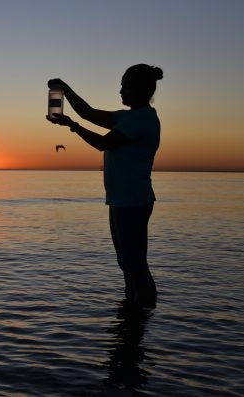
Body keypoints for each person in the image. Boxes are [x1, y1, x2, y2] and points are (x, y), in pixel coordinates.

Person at [46, 64, 163, 309]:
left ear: (141, 90)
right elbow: (87, 112)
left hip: (133, 200)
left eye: (125, 86)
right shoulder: (127, 116)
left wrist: (73, 126)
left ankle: (142, 312)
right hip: (121, 199)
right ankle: (132, 309)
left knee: (135, 262)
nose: (120, 90)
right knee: (126, 260)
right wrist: (65, 90)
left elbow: (103, 143)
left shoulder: (142, 119)